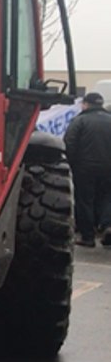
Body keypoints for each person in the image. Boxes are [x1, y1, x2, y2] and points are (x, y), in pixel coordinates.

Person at [63, 91, 111, 247]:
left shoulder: (80, 121)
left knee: (85, 201)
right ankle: (107, 226)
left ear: (85, 104)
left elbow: (69, 143)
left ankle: (88, 237)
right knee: (107, 198)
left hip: (85, 168)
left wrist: (69, 164)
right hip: (108, 168)